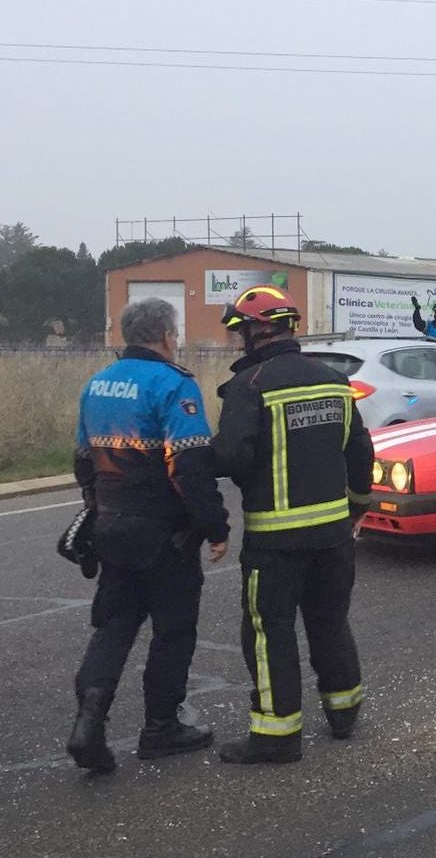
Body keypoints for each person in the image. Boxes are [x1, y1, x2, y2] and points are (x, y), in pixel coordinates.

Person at [67, 298, 230, 773]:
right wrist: (215, 526)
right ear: (166, 336)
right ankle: (161, 728)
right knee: (173, 630)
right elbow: (190, 464)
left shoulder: (97, 384)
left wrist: (98, 511)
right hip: (165, 534)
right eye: (175, 333)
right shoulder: (173, 384)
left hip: (111, 525)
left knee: (114, 626)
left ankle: (88, 722)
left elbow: (82, 459)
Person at [213, 285, 374, 764]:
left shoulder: (250, 386)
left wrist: (202, 457)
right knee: (329, 620)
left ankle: (276, 737)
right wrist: (357, 507)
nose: (239, 340)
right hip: (333, 536)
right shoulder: (332, 380)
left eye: (240, 330)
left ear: (257, 330)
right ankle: (344, 713)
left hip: (275, 540)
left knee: (269, 631)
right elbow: (360, 452)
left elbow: (234, 456)